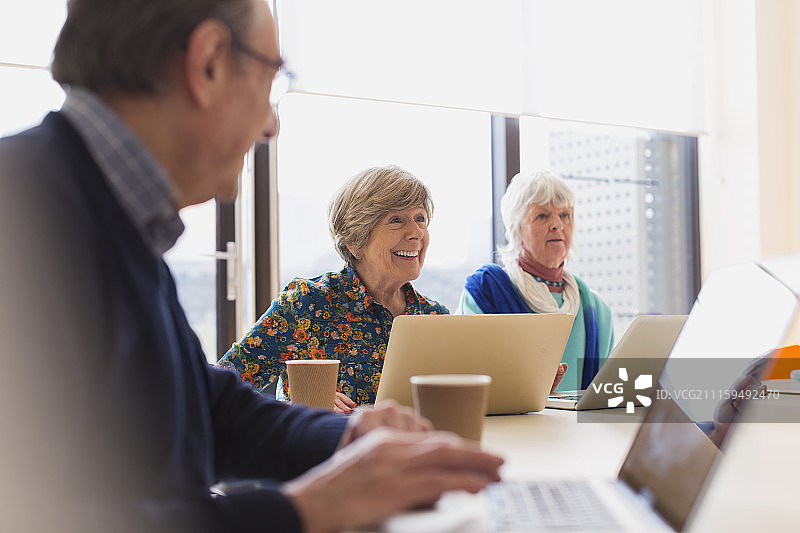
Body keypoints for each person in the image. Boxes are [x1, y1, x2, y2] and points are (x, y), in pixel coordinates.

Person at [0, 1, 503, 532]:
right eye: (271, 80)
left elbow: (205, 408)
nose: (271, 125)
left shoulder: (111, 219)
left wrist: (350, 436)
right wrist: (308, 509)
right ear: (209, 63)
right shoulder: (22, 215)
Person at [219, 165, 448, 413]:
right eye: (396, 220)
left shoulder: (436, 317)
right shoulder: (305, 304)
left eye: (420, 218)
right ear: (354, 241)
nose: (416, 233)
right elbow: (217, 391)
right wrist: (295, 406)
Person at [458, 170, 614, 392]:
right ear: (516, 229)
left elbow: (606, 395)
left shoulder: (597, 310)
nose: (557, 224)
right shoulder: (485, 293)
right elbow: (468, 383)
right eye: (542, 216)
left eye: (565, 215)